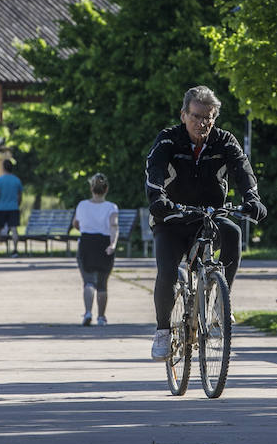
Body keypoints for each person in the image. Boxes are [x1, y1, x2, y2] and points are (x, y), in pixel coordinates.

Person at [145, 85, 267, 360]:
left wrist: (252, 198)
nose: (203, 123)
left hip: (210, 215)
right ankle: (163, 331)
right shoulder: (167, 141)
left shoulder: (225, 141)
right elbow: (154, 172)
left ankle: (221, 303)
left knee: (233, 233)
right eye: (197, 116)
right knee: (166, 272)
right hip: (172, 217)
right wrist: (157, 199)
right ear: (184, 115)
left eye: (209, 117)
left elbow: (243, 170)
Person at [73, 173, 118, 326]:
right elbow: (114, 226)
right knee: (102, 284)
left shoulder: (82, 205)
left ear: (91, 188)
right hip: (104, 244)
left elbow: (76, 224)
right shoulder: (111, 207)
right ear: (106, 189)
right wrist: (112, 244)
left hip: (86, 243)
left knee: (88, 282)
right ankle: (101, 317)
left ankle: (87, 313)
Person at [0, 159, 22, 258]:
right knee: (14, 229)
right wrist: (17, 205)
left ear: (3, 168)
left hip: (0, 208)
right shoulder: (17, 180)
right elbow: (19, 196)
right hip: (13, 208)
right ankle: (15, 250)